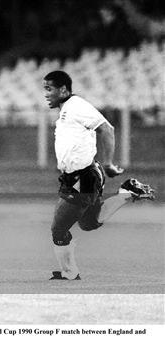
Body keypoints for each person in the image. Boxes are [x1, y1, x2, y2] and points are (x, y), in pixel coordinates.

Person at [43, 70, 155, 281]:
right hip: (73, 177)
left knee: (58, 229)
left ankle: (70, 272)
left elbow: (107, 129)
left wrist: (109, 163)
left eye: (49, 89)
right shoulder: (66, 110)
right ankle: (127, 192)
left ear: (63, 89)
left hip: (84, 177)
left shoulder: (77, 106)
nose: (46, 94)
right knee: (88, 223)